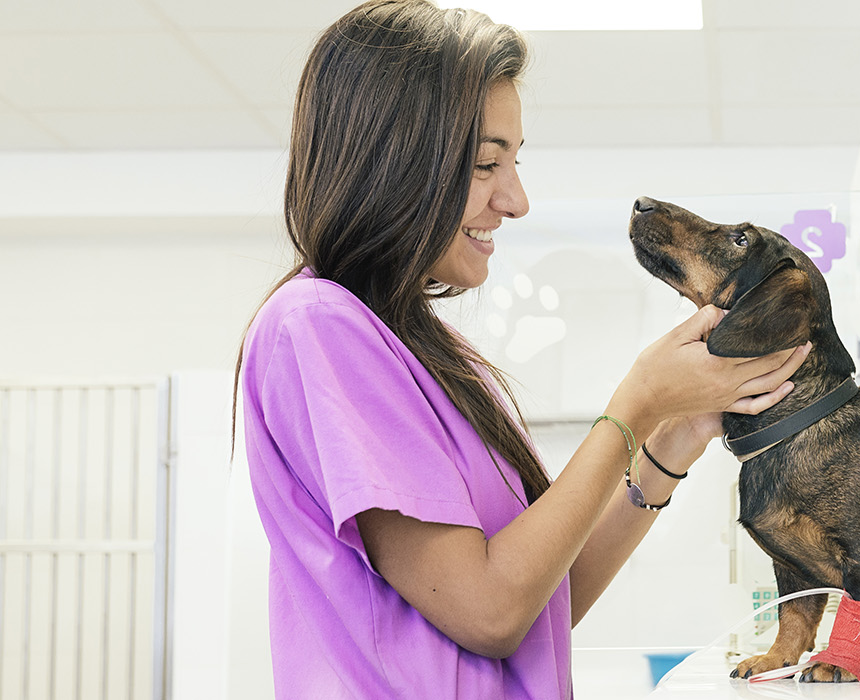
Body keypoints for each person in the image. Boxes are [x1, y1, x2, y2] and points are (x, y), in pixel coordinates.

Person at [234, 1, 809, 697]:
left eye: (514, 161)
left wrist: (673, 434)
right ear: (390, 164)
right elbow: (490, 612)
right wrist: (634, 402)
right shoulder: (318, 326)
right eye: (484, 164)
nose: (516, 200)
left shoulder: (427, 349)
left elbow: (540, 602)